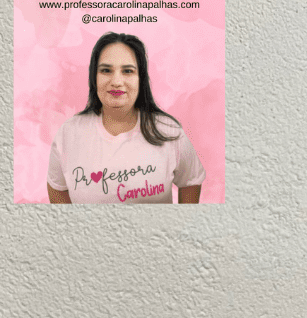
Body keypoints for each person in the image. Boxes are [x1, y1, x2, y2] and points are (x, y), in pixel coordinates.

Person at [46, 32, 204, 203]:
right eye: (106, 70)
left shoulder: (169, 131)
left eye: (127, 71)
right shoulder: (69, 133)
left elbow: (191, 181)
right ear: (94, 77)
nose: (116, 81)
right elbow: (57, 187)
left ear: (140, 78)